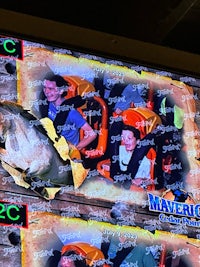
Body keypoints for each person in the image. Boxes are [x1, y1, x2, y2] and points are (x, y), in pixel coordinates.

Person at [39, 73, 97, 151]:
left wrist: (75, 149)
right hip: (51, 143)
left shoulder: (71, 113)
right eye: (45, 88)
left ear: (61, 91)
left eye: (51, 89)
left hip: (66, 149)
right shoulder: (46, 103)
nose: (46, 91)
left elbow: (92, 134)